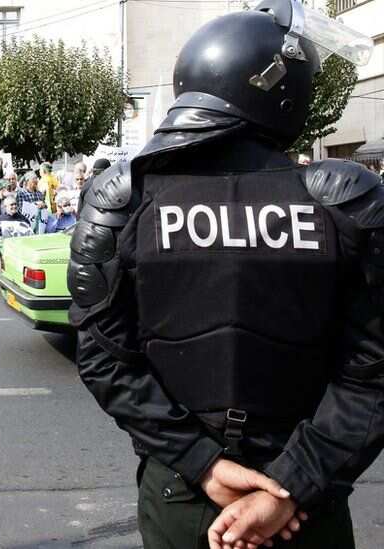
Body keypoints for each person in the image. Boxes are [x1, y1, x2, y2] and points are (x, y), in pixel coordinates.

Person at [68, 3, 382, 549]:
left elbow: (102, 355)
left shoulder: (125, 198)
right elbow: (372, 372)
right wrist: (289, 486)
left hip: (185, 489)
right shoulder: (345, 200)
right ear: (281, 91)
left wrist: (202, 463)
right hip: (303, 500)